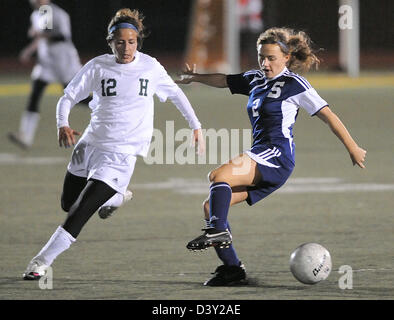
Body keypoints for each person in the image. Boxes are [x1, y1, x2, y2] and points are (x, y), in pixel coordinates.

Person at [22, 8, 204, 280]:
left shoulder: (150, 67)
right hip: (89, 145)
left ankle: (40, 263)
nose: (126, 47)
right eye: (120, 42)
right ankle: (117, 196)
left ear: (137, 42)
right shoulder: (98, 66)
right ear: (111, 42)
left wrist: (196, 125)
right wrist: (63, 123)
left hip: (121, 155)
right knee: (68, 203)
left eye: (131, 42)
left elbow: (177, 95)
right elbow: (68, 96)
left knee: (80, 213)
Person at [176, 27, 366, 286]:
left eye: (271, 58)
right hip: (262, 155)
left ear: (286, 58)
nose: (265, 63)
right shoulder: (255, 78)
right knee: (211, 206)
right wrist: (195, 77)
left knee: (217, 176)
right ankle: (233, 269)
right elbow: (225, 80)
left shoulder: (295, 84)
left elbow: (328, 115)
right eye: (261, 57)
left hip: (277, 156)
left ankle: (218, 231)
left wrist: (352, 147)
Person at [8, 0, 89, 149]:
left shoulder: (55, 12)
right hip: (46, 61)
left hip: (63, 60)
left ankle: (109, 107)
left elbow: (61, 36)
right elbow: (41, 37)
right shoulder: (36, 14)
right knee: (35, 93)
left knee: (76, 97)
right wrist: (30, 50)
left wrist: (38, 34)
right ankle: (25, 136)